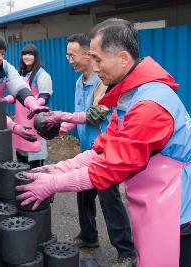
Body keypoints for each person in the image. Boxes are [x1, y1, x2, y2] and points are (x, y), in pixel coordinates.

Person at [16, 18, 191, 267]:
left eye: (97, 59)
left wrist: (54, 184)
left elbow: (110, 167)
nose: (94, 67)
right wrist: (60, 168)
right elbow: (105, 146)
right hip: (159, 202)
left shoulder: (148, 105)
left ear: (122, 58)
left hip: (179, 212)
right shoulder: (130, 94)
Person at [39, 33, 136, 266]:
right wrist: (64, 127)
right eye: (67, 56)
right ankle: (89, 236)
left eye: (72, 55)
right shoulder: (78, 82)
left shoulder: (103, 81)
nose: (69, 60)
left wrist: (64, 116)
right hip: (86, 150)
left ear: (87, 54)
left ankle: (126, 252)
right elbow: (79, 112)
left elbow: (95, 115)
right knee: (83, 198)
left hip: (105, 153)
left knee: (110, 203)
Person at [10, 44, 53, 168]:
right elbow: (16, 95)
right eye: (24, 54)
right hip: (20, 120)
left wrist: (35, 105)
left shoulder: (42, 75)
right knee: (21, 161)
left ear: (36, 56)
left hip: (36, 121)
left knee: (35, 165)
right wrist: (7, 99)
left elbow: (45, 96)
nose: (27, 57)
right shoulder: (20, 74)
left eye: (30, 54)